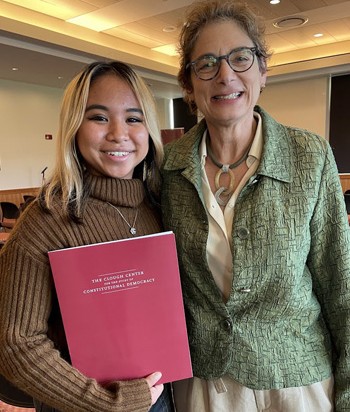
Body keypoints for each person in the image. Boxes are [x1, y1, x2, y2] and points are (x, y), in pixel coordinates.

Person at [161, 1, 350, 411]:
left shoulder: (309, 156)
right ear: (189, 86)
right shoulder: (168, 169)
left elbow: (342, 286)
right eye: (206, 63)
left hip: (298, 381)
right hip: (207, 385)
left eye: (240, 58)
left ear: (262, 71)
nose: (225, 74)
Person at [0, 61, 175, 412]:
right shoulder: (48, 218)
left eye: (134, 118)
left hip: (168, 391)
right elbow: (16, 346)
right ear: (73, 127)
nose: (118, 133)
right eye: (98, 117)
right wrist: (110, 403)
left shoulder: (162, 205)